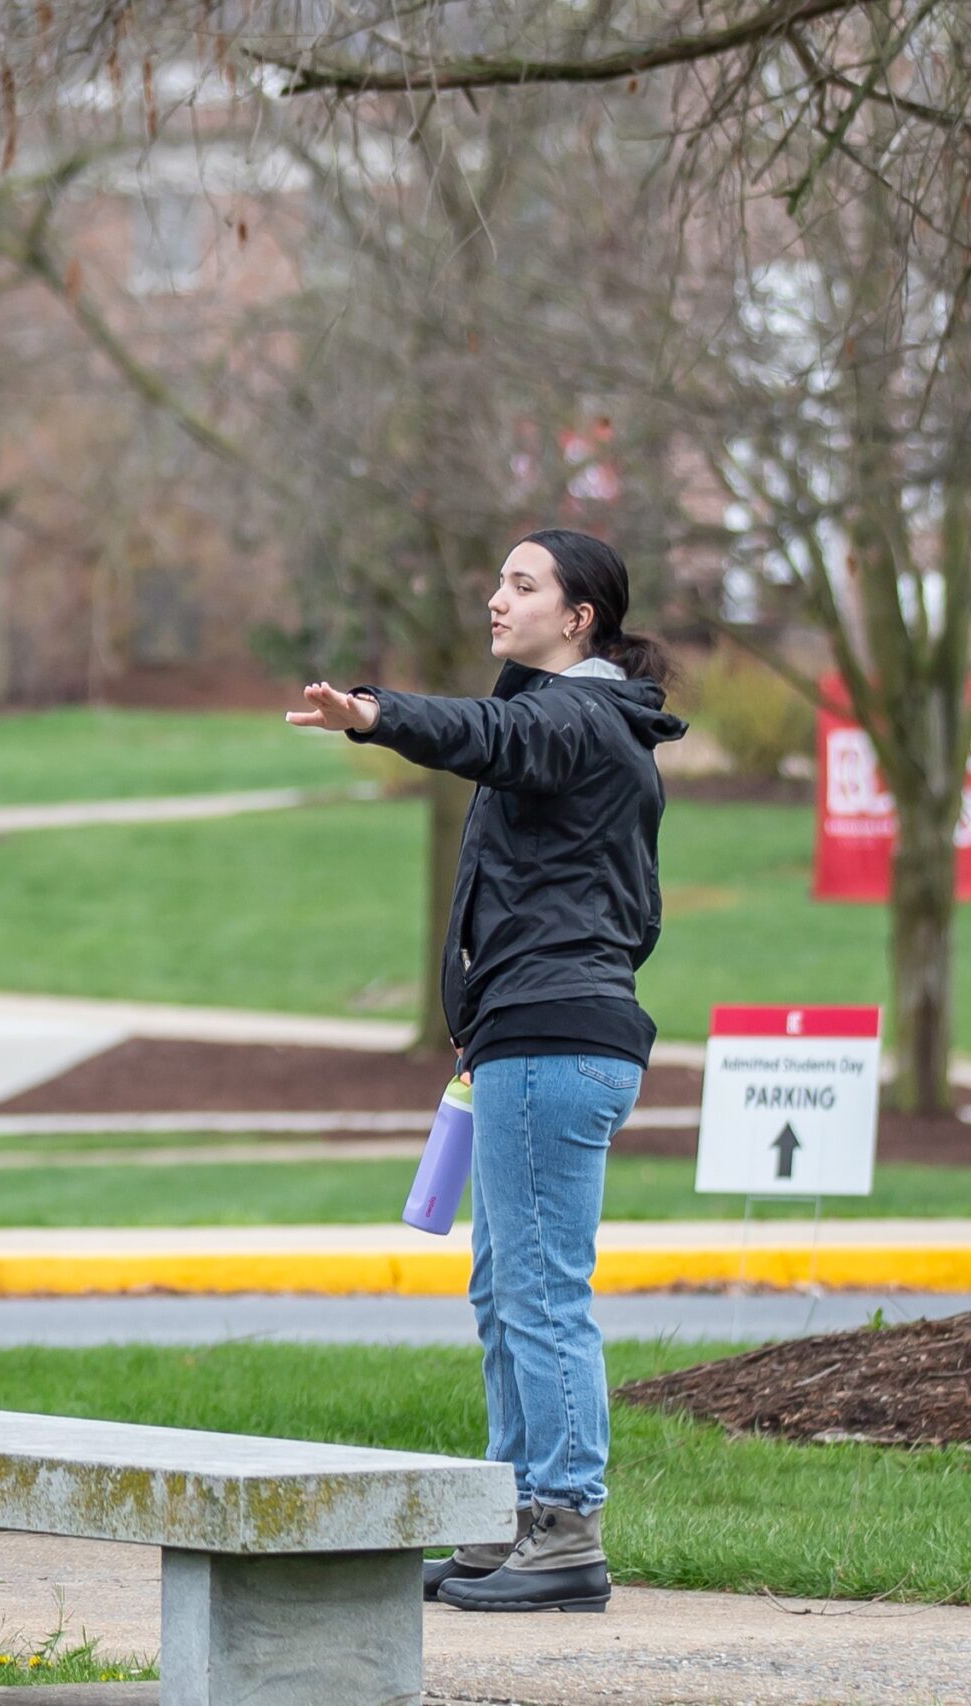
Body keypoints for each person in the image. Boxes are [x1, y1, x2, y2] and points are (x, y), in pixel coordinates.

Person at [287, 528, 684, 1615]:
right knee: (505, 1286)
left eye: (522, 584)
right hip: (534, 1036)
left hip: (554, 1040)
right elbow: (634, 910)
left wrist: (375, 713)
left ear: (579, 616)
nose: (495, 599)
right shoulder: (579, 725)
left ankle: (562, 1524)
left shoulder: (578, 716)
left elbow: (486, 730)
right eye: (497, 580)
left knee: (542, 1289)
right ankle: (515, 1519)